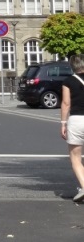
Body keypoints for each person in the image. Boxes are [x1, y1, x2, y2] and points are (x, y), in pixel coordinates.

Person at [61, 54, 84, 203]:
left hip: (76, 120)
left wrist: (63, 123)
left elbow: (66, 103)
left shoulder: (68, 81)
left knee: (75, 157)